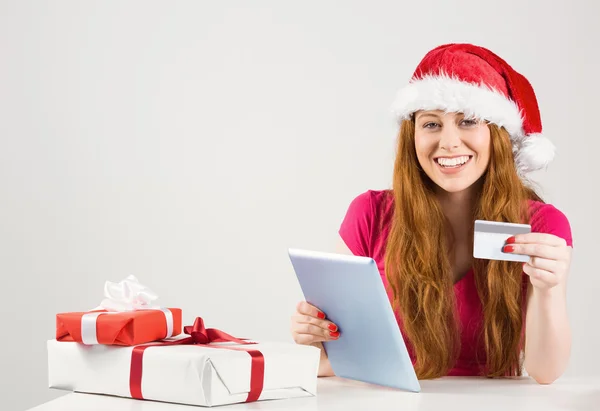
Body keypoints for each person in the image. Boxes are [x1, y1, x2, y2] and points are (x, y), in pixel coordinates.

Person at [290, 43, 573, 384]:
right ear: (413, 136)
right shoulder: (369, 214)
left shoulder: (541, 226)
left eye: (468, 121)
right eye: (431, 124)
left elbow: (546, 372)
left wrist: (549, 290)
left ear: (497, 135)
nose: (449, 142)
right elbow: (335, 361)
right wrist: (314, 333)